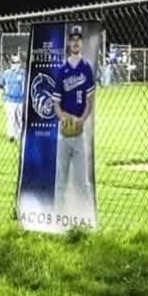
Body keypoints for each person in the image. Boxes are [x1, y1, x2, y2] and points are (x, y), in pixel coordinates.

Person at [48, 25, 96, 206]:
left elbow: (90, 102)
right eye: (73, 39)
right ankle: (59, 217)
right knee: (60, 180)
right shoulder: (62, 70)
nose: (75, 42)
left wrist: (81, 120)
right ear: (69, 42)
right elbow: (56, 104)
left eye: (78, 39)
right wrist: (64, 119)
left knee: (82, 181)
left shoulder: (86, 68)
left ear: (81, 43)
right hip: (64, 132)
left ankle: (86, 218)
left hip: (79, 132)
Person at [0, 54, 26, 143]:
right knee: (11, 118)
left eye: (17, 62)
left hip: (21, 100)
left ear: (20, 63)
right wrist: (0, 99)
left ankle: (19, 134)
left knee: (19, 118)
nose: (15, 63)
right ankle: (11, 135)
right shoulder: (6, 73)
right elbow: (1, 86)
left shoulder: (24, 73)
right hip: (9, 100)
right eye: (13, 62)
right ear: (11, 63)